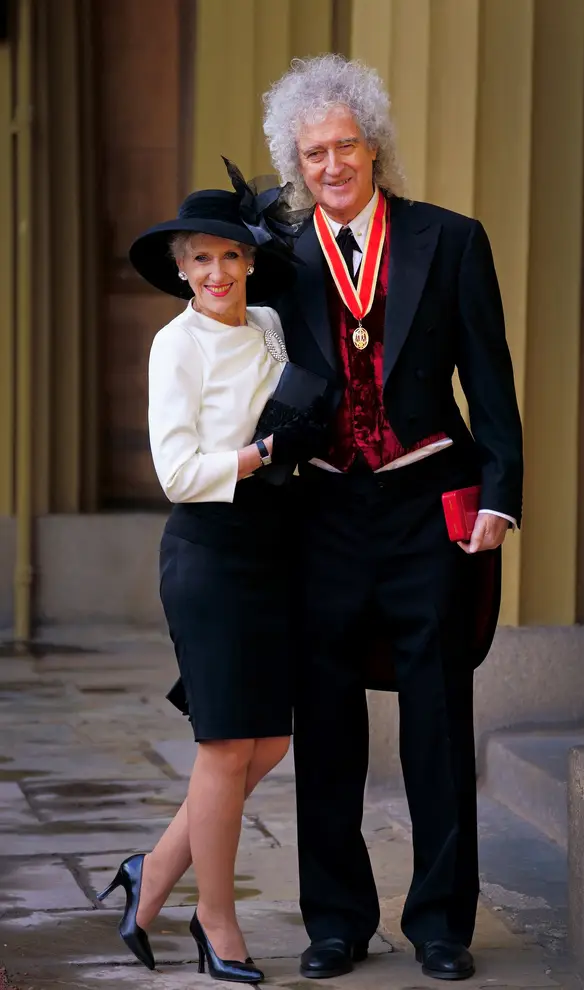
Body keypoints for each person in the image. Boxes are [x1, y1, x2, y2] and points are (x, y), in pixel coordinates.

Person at [262, 55, 524, 982]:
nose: (331, 165)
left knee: (438, 720)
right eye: (312, 153)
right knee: (324, 719)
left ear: (373, 145)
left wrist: (500, 492)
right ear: (295, 163)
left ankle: (443, 925)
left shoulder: (449, 240)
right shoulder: (277, 257)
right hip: (321, 508)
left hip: (427, 506)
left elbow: (488, 380)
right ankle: (336, 921)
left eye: (345, 145)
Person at [96, 165, 326, 984]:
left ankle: (150, 872)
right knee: (227, 745)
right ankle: (214, 917)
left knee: (267, 741)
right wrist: (262, 453)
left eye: (230, 256)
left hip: (272, 550)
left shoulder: (268, 322)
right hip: (209, 551)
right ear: (182, 270)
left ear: (249, 261)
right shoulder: (174, 345)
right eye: (201, 261)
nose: (218, 274)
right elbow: (176, 472)